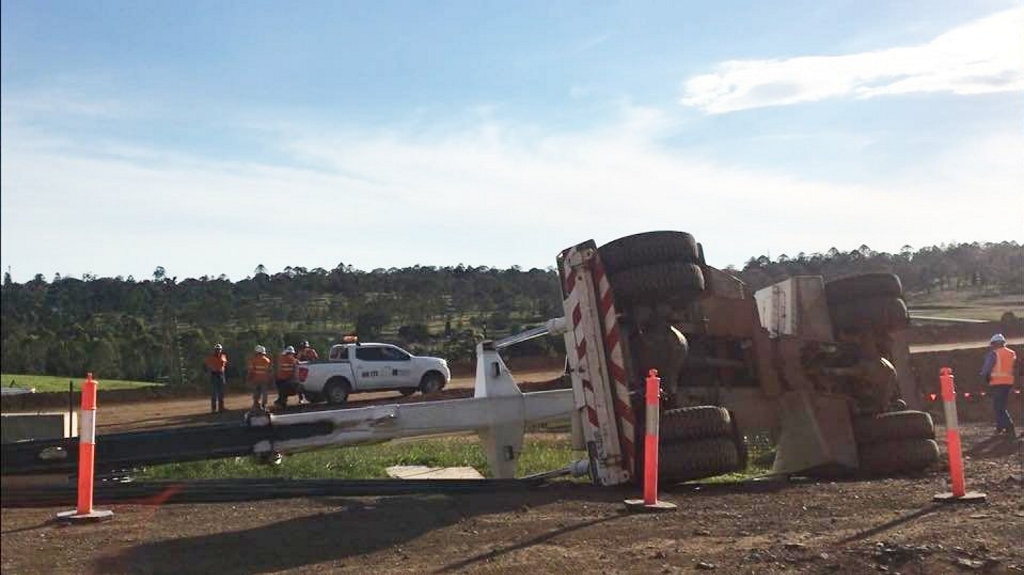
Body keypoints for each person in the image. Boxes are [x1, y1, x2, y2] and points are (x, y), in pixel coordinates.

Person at [980, 333, 1017, 437]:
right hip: (1008, 383)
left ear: (995, 343)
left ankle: (1009, 428)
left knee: (999, 407)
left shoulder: (994, 354)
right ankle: (1000, 427)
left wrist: (985, 377)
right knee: (1002, 406)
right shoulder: (1011, 353)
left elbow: (986, 369)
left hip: (997, 383)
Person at [246, 345, 273, 412]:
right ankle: (264, 405)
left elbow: (251, 370)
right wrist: (270, 379)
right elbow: (269, 371)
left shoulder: (253, 360)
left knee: (256, 393)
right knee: (264, 393)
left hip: (256, 380)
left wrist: (248, 377)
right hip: (264, 380)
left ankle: (256, 405)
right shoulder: (267, 360)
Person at [203, 343, 228, 413]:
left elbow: (224, 366)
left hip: (221, 374)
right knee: (214, 393)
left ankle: (221, 408)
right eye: (217, 349)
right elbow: (205, 365)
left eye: (219, 349)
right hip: (214, 375)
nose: (218, 351)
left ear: (221, 350)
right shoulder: (210, 358)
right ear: (214, 350)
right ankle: (213, 409)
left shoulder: (223, 356)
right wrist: (207, 372)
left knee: (221, 393)